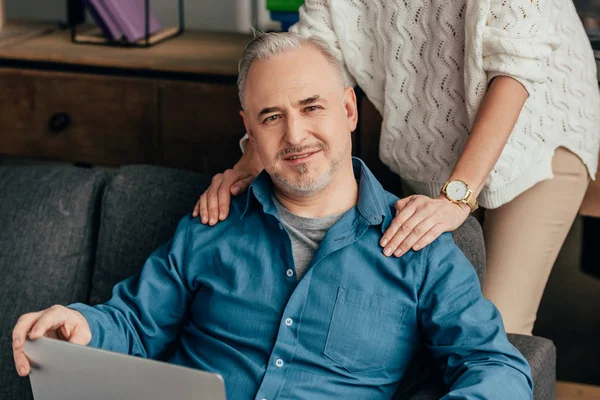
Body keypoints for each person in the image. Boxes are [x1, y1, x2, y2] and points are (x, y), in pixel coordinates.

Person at [12, 32, 533, 399]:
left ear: (349, 110)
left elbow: (496, 365)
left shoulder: (419, 246)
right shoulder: (212, 223)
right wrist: (81, 325)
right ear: (249, 130)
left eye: (312, 107)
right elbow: (134, 322)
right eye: (272, 117)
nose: (295, 136)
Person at [192, 0, 600, 335]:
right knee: (425, 316)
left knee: (497, 326)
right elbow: (307, 50)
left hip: (538, 129)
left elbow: (516, 67)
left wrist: (456, 196)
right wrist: (247, 164)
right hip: (429, 140)